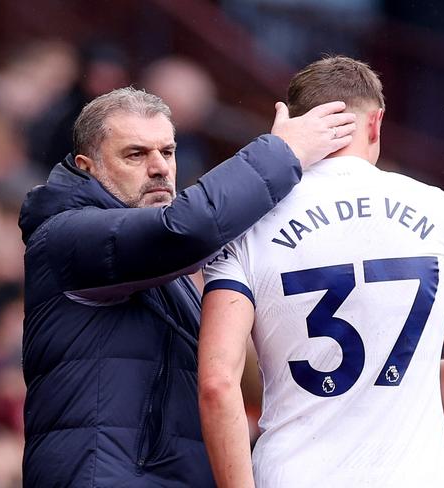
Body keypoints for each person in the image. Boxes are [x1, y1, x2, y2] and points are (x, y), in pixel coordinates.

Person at [18, 86, 356, 486]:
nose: (160, 167)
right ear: (87, 167)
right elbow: (189, 229)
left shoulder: (159, 268)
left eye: (168, 151)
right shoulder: (66, 235)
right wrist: (283, 150)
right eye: (136, 154)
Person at [199, 56, 444, 488]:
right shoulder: (439, 209)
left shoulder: (248, 219)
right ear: (376, 123)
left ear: (287, 123)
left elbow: (217, 384)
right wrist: (391, 386)